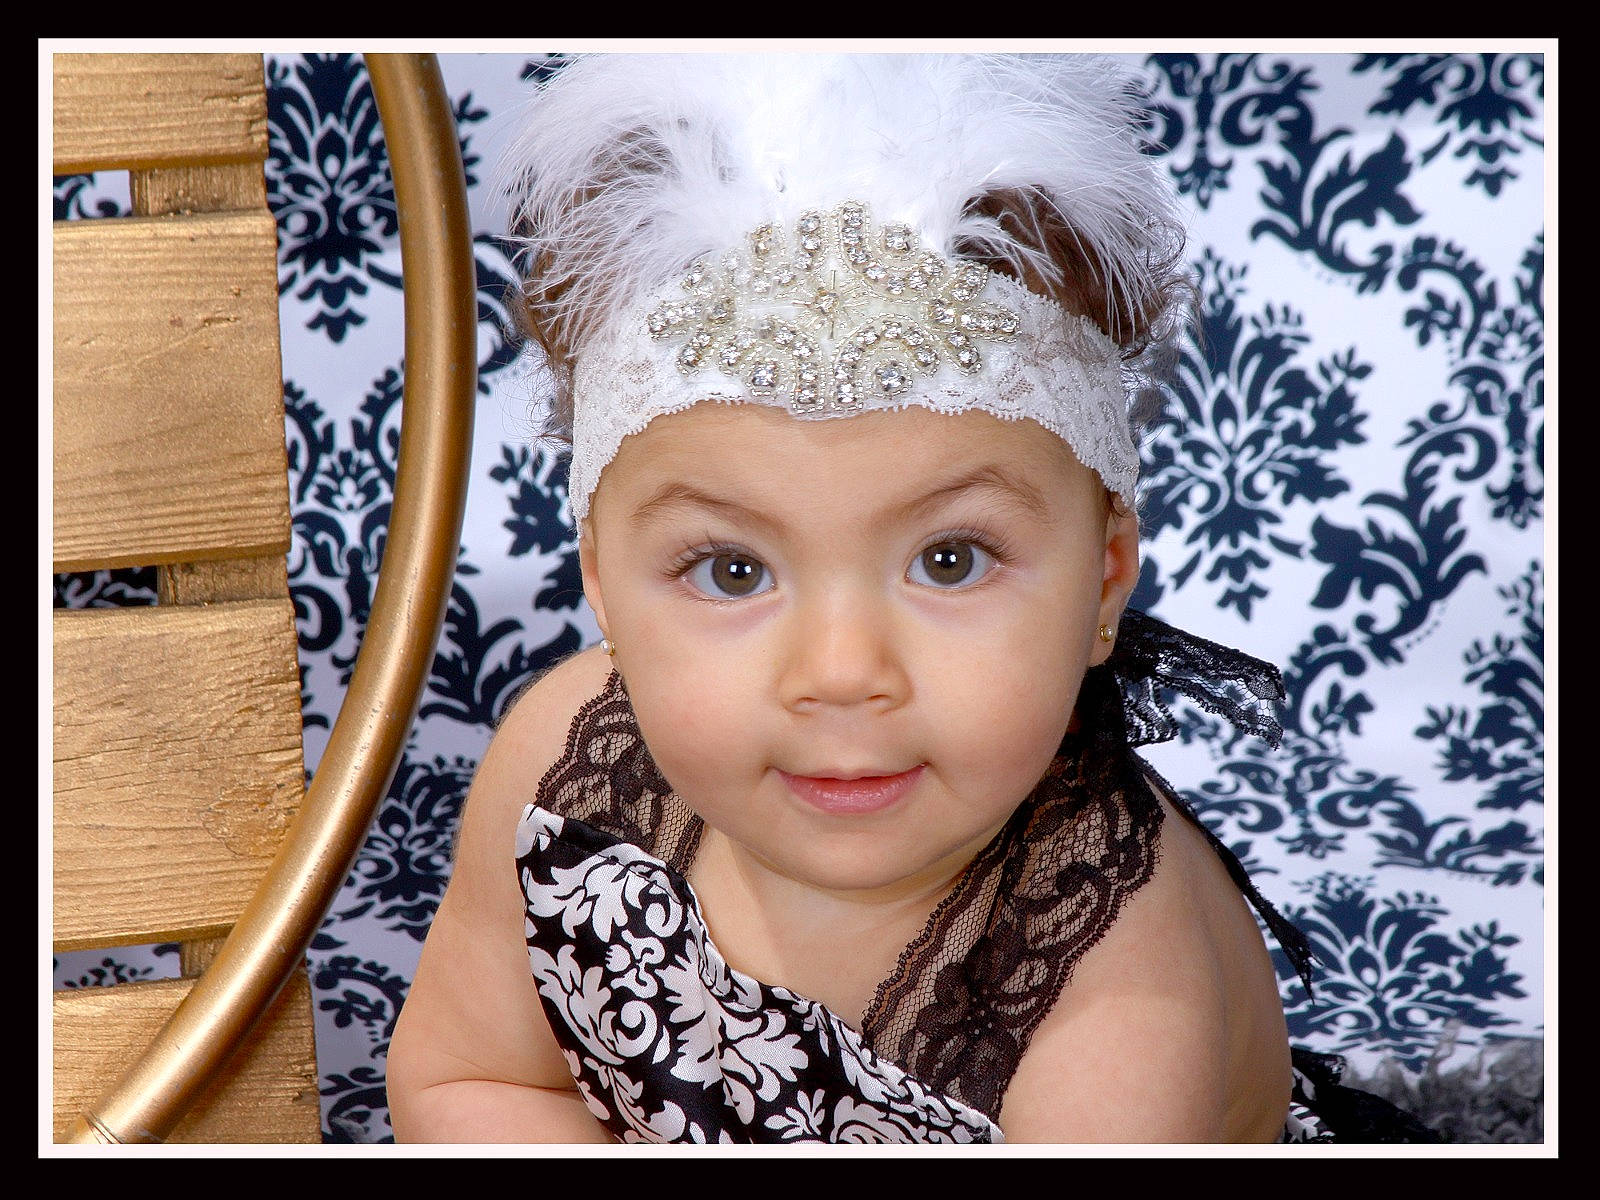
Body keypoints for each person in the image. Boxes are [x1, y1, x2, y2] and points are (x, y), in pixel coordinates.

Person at [385, 53, 1440, 1144]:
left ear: (1103, 582)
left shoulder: (1111, 974)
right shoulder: (563, 771)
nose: (843, 670)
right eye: (733, 570)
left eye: (949, 561)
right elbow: (479, 1083)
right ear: (601, 584)